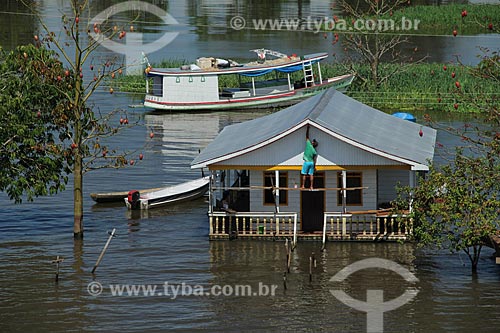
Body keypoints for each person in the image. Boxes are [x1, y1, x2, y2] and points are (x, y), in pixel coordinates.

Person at [301, 125, 318, 190]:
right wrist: (314, 166)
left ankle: (303, 185)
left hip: (307, 162)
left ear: (313, 143)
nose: (312, 141)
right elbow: (315, 159)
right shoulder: (314, 151)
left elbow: (307, 136)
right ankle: (311, 186)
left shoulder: (308, 144)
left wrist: (307, 128)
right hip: (311, 163)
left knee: (304, 174)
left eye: (313, 141)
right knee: (311, 174)